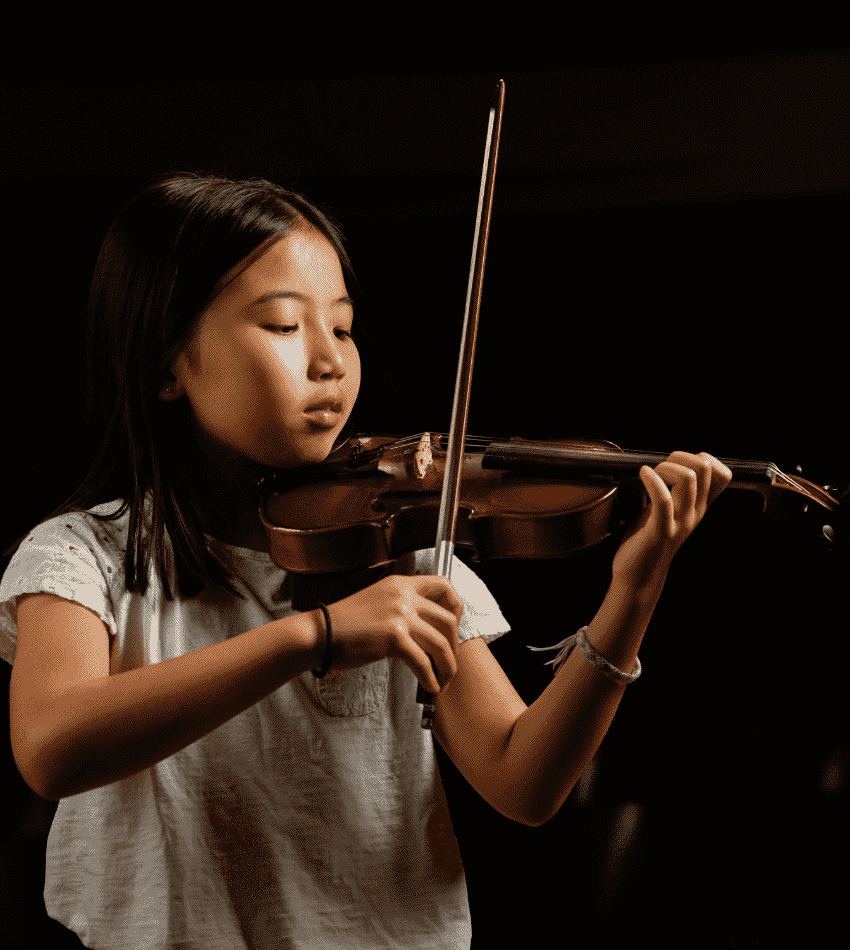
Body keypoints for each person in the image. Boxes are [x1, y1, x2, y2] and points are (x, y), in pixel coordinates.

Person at [0, 173, 732, 950]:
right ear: (166, 364)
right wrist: (314, 635)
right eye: (283, 325)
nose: (329, 362)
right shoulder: (85, 555)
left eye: (343, 328)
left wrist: (633, 592)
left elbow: (524, 780)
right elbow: (51, 747)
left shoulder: (405, 552)